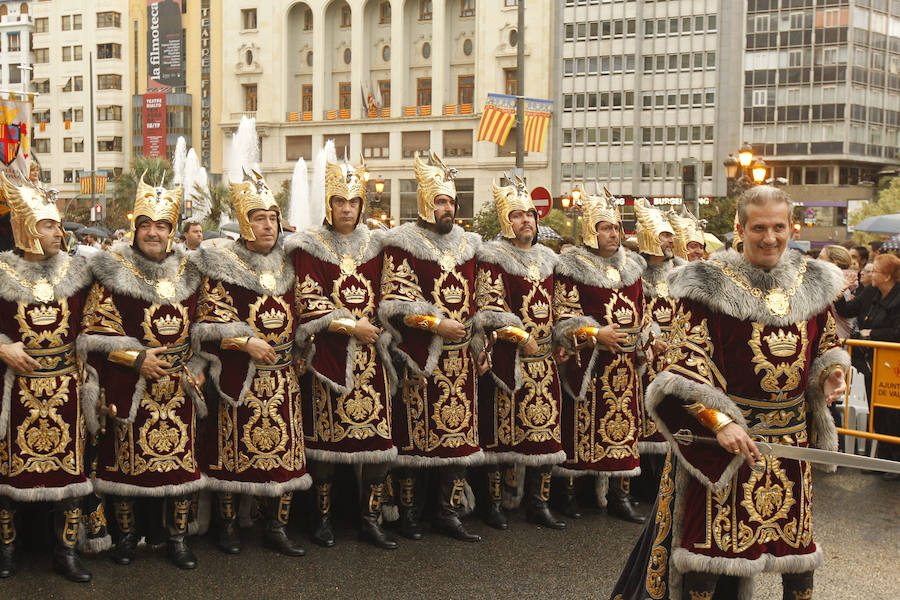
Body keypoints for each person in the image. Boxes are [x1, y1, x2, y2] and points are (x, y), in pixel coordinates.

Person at [610, 185, 849, 600]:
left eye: (778, 227)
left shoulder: (813, 283)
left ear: (791, 227)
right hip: (727, 445)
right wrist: (719, 422)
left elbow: (824, 343)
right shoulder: (709, 286)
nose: (770, 237)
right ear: (740, 229)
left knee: (796, 557)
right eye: (759, 228)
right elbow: (685, 367)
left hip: (791, 443)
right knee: (711, 556)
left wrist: (830, 373)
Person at [80, 176, 207, 570]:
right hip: (130, 383)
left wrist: (201, 366)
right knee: (127, 464)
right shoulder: (112, 271)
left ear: (172, 230)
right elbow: (95, 328)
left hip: (180, 383)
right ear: (135, 228)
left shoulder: (191, 270)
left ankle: (177, 538)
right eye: (146, 225)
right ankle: (127, 537)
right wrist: (136, 359)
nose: (153, 232)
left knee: (179, 463)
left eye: (162, 225)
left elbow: (208, 322)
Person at [191, 169, 310, 556]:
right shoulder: (222, 264)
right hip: (239, 375)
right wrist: (246, 342)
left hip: (283, 376)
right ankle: (226, 527)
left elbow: (308, 309)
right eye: (259, 217)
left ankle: (277, 527)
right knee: (232, 452)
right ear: (244, 223)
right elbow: (208, 320)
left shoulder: (291, 264)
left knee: (285, 454)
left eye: (273, 217)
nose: (268, 225)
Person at [286, 159, 398, 549]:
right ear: (328, 204)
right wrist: (352, 326)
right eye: (339, 201)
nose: (346, 208)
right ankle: (321, 519)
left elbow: (394, 291)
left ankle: (370, 519)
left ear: (362, 204)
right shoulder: (311, 246)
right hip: (329, 359)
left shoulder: (380, 244)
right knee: (326, 447)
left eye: (353, 201)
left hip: (373, 360)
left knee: (378, 444)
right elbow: (308, 300)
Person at [378, 153, 483, 542]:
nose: (446, 208)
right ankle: (408, 513)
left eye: (451, 201)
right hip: (418, 357)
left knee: (457, 441)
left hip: (462, 360)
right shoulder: (402, 243)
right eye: (439, 201)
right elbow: (394, 302)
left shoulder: (470, 245)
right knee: (414, 440)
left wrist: (480, 340)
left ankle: (447, 511)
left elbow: (479, 299)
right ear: (425, 202)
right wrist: (437, 323)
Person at [0, 174, 95, 582]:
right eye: (48, 224)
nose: (59, 231)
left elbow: (101, 323)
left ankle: (66, 550)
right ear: (24, 227)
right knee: (8, 475)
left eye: (58, 224)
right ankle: (6, 550)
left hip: (67, 389)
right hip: (14, 391)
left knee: (69, 475)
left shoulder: (79, 272)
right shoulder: (1, 271)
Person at [472, 177, 566, 531]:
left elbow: (560, 304)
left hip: (545, 361)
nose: (526, 220)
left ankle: (538, 503)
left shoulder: (549, 259)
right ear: (504, 221)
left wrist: (563, 338)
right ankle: (494, 503)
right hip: (508, 358)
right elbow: (489, 306)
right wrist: (520, 334)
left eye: (530, 214)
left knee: (544, 435)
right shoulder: (493, 257)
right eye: (517, 215)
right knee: (501, 435)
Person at [552, 191, 650, 523]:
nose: (614, 234)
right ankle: (568, 493)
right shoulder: (571, 266)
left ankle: (620, 495)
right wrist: (595, 333)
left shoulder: (634, 266)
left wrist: (649, 339)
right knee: (579, 428)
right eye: (606, 227)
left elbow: (643, 312)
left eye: (617, 227)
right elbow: (563, 317)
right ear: (591, 231)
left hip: (625, 366)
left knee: (623, 429)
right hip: (590, 363)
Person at [834, 253, 900, 473]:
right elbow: (847, 310)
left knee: (892, 413)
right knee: (877, 410)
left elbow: (897, 332)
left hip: (892, 365)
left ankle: (894, 461)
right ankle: (880, 459)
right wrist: (839, 290)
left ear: (888, 276)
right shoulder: (870, 293)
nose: (870, 274)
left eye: (876, 271)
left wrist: (872, 333)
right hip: (871, 362)